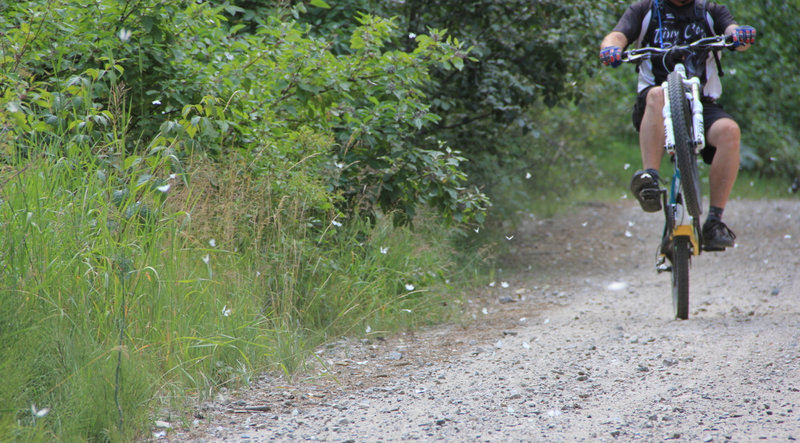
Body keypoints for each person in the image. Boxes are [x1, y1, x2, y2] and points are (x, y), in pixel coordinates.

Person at [599, 0, 755, 251]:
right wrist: (611, 49)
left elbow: (733, 31)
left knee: (730, 131)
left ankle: (714, 221)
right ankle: (649, 178)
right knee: (656, 95)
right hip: (655, 107)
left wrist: (740, 35)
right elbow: (617, 35)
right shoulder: (644, 9)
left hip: (701, 102)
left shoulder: (711, 11)